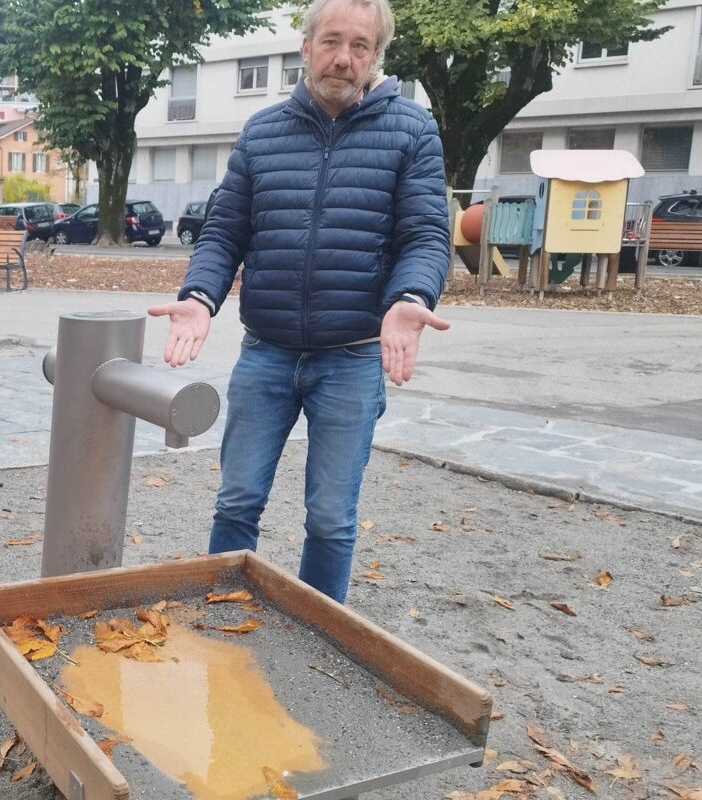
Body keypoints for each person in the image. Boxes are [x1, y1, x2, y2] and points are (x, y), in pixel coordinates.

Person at [148, 0, 451, 604]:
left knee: (332, 518)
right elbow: (225, 230)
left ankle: (319, 642)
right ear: (306, 46)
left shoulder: (412, 130)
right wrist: (201, 295)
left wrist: (409, 296)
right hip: (266, 354)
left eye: (359, 46)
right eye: (332, 41)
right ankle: (220, 617)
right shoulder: (262, 132)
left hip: (353, 358)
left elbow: (424, 235)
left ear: (375, 56)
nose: (343, 58)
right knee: (236, 502)